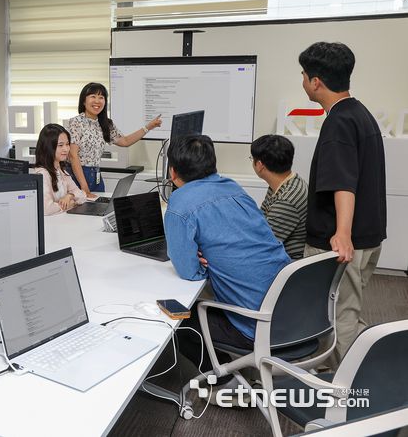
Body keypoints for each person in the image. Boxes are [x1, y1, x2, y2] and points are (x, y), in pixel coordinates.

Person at [163, 135, 290, 375]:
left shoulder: (180, 204)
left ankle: (223, 379)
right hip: (293, 311)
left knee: (175, 316)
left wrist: (204, 263)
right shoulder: (233, 187)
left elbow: (190, 272)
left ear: (173, 171)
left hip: (257, 325)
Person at [299, 42, 386, 369]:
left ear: (316, 82)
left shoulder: (338, 122)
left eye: (303, 75)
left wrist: (342, 233)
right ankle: (346, 369)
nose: (302, 81)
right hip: (367, 238)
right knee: (346, 312)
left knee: (340, 319)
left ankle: (354, 388)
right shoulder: (359, 113)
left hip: (342, 244)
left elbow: (343, 183)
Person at [67, 82, 162, 198]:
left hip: (96, 176)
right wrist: (84, 187)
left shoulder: (106, 123)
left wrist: (148, 127)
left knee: (101, 206)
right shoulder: (76, 122)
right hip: (79, 176)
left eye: (101, 97)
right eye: (93, 96)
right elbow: (73, 155)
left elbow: (125, 141)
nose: (97, 101)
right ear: (83, 101)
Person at [250, 134, 308, 259]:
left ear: (259, 165)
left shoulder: (287, 200)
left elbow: (262, 244)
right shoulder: (284, 182)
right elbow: (260, 220)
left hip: (286, 264)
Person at [34, 123, 87, 215]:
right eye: (60, 145)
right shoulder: (42, 174)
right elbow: (47, 209)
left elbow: (82, 195)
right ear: (48, 147)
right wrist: (72, 203)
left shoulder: (61, 171)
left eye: (67, 144)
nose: (66, 149)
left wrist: (70, 196)